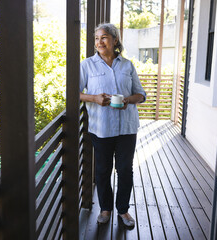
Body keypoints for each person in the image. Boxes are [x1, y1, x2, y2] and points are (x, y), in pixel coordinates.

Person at [79, 23, 146, 227]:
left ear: (115, 40)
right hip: (101, 128)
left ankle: (123, 210)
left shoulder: (127, 65)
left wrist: (127, 100)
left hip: (127, 127)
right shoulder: (86, 65)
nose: (99, 42)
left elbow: (141, 94)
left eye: (104, 37)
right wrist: (94, 98)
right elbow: (74, 93)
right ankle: (105, 208)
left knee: (125, 169)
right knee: (102, 170)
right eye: (97, 38)